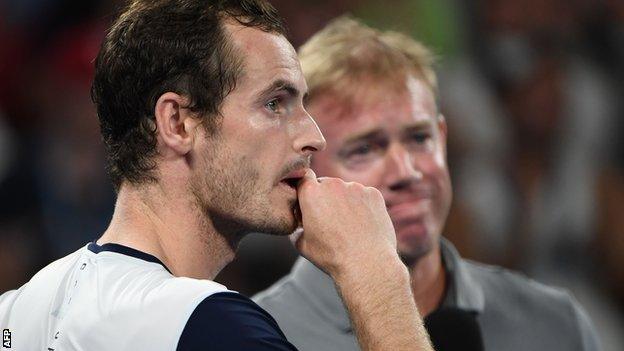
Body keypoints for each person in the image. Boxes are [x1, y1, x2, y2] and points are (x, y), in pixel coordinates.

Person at [0, 2, 434, 350]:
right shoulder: (206, 324)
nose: (314, 136)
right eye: (274, 103)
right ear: (178, 123)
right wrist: (374, 271)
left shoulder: (13, 313)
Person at [253, 16, 601, 351]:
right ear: (304, 170)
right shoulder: (252, 337)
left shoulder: (553, 322)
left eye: (419, 138)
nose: (406, 171)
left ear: (444, 138)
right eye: (364, 149)